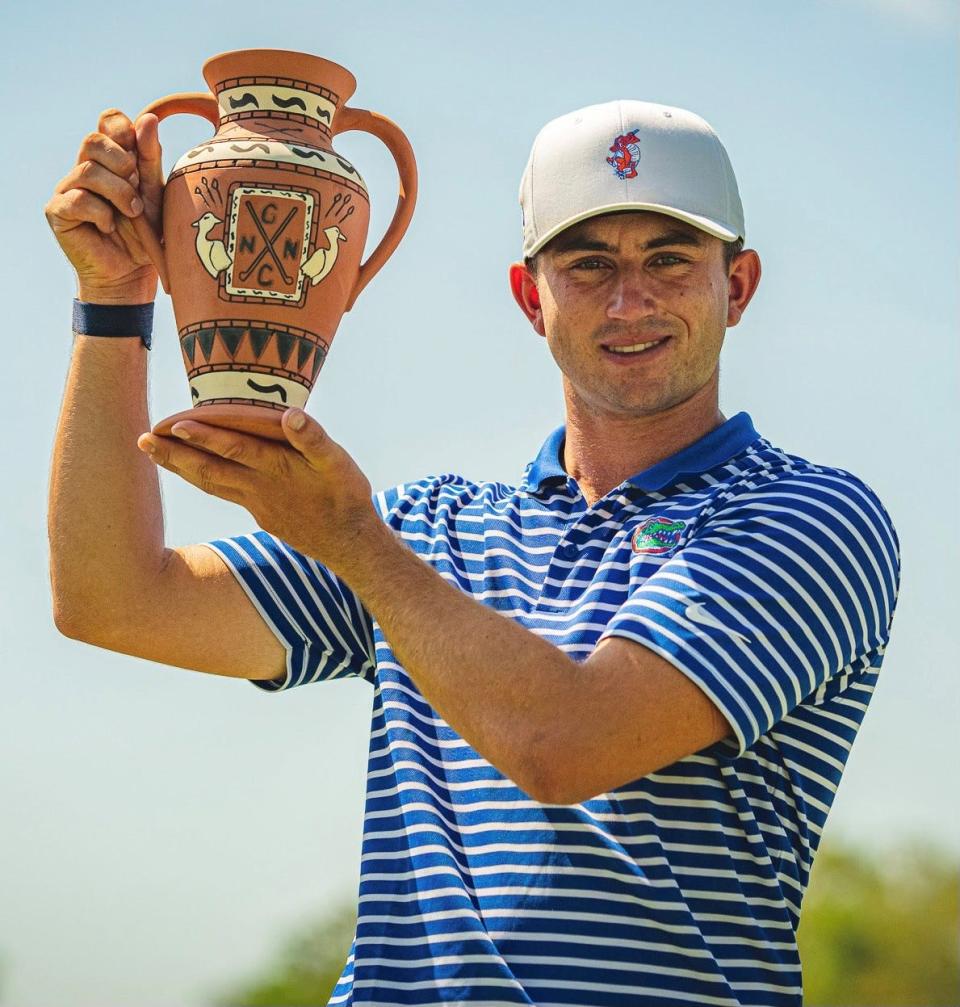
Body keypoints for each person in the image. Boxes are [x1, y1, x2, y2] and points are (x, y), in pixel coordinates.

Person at [46, 98, 901, 1007]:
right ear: (532, 298)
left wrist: (352, 541)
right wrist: (114, 300)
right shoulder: (428, 530)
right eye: (587, 264)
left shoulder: (809, 516)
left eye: (670, 259)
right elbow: (114, 598)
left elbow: (567, 743)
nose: (630, 299)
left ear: (738, 286)